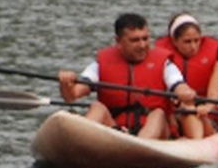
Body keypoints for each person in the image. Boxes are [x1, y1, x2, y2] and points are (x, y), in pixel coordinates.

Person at [58, 12, 197, 140]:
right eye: (135, 40)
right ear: (119, 41)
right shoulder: (101, 64)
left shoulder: (164, 64)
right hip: (116, 129)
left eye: (145, 38)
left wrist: (184, 92)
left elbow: (179, 85)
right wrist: (65, 83)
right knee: (97, 107)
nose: (142, 45)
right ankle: (80, 140)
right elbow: (72, 95)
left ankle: (140, 144)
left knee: (158, 114)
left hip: (155, 133)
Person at [157, 13, 218, 139]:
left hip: (204, 114)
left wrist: (207, 108)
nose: (193, 46)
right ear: (174, 41)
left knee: (189, 110)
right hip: (172, 114)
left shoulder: (214, 63)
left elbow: (213, 95)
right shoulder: (162, 60)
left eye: (196, 40)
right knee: (185, 108)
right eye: (187, 42)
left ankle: (196, 145)